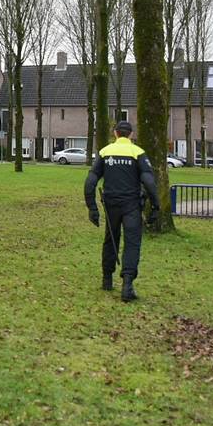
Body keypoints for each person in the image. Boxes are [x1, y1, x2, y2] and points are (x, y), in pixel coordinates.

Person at [84, 120, 160, 302]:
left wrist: (92, 208)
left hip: (111, 204)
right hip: (132, 205)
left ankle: (107, 279)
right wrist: (156, 207)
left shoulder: (105, 152)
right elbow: (149, 182)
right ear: (131, 134)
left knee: (111, 240)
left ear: (115, 133)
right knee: (132, 243)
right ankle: (127, 285)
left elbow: (90, 181)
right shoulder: (137, 153)